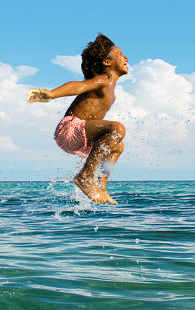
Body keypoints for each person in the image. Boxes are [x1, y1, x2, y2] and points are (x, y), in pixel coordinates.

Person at [27, 33, 129, 203]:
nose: (125, 57)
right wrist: (52, 94)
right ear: (107, 62)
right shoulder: (102, 80)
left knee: (118, 146)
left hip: (81, 135)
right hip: (70, 129)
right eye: (119, 54)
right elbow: (79, 86)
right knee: (117, 128)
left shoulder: (113, 95)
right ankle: (86, 176)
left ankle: (100, 185)